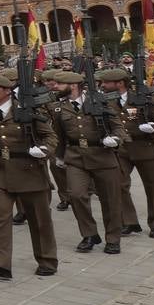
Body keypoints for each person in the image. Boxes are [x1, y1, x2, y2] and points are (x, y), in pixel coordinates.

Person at [0, 71, 60, 279]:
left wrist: (44, 150)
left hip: (28, 168)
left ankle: (46, 259)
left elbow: (50, 135)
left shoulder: (27, 110)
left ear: (7, 90)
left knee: (39, 219)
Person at [49, 70, 128, 253]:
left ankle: (113, 238)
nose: (56, 87)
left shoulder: (100, 101)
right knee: (76, 195)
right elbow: (59, 134)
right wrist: (59, 156)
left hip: (103, 155)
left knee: (111, 200)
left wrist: (116, 139)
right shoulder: (59, 107)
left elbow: (118, 126)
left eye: (60, 84)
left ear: (73, 85)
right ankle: (89, 234)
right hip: (76, 157)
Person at [102, 68, 154, 238]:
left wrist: (153, 129)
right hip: (121, 148)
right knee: (119, 184)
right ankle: (129, 221)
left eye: (106, 82)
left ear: (120, 83)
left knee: (153, 186)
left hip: (144, 146)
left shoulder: (145, 99)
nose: (102, 85)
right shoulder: (105, 101)